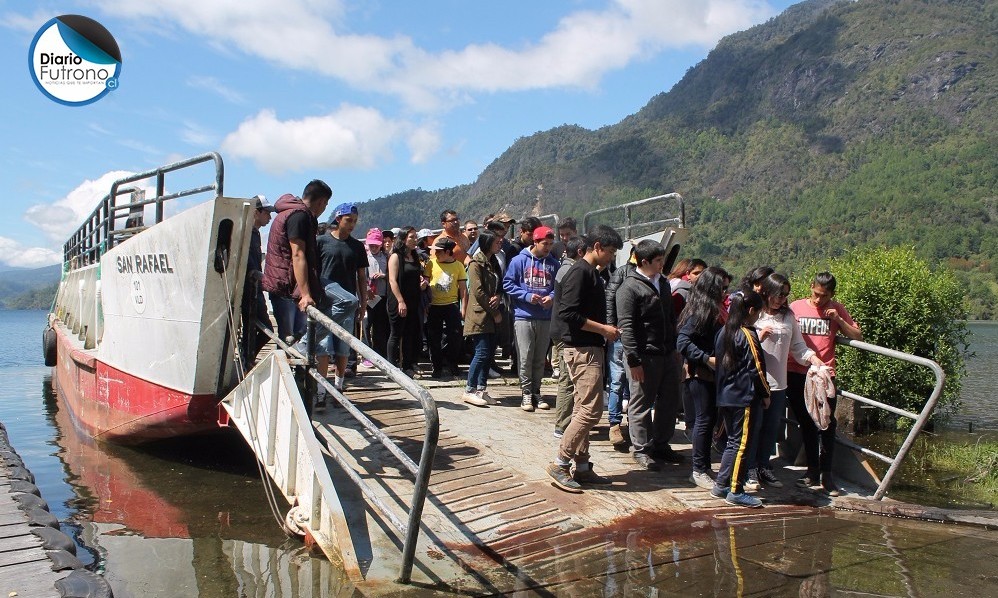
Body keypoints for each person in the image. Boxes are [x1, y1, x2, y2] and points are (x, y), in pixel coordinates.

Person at [546, 225, 623, 493]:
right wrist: (604, 329)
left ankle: (581, 466)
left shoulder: (591, 273)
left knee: (582, 408)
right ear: (598, 247)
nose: (612, 257)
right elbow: (568, 314)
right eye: (611, 251)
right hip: (582, 350)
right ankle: (560, 462)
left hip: (589, 348)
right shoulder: (580, 272)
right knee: (591, 410)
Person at [746, 273, 824, 491]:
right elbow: (740, 344)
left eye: (785, 295)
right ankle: (749, 468)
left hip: (779, 383)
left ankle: (764, 466)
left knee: (771, 427)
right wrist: (759, 338)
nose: (781, 299)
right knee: (754, 426)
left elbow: (798, 347)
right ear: (766, 292)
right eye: (778, 294)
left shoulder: (788, 317)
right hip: (757, 381)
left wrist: (812, 358)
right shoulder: (755, 314)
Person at [787, 272, 862, 496]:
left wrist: (838, 320)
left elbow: (857, 335)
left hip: (824, 374)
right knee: (806, 423)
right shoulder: (796, 308)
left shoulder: (837, 309)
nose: (819, 300)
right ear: (811, 287)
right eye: (817, 294)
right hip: (796, 371)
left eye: (825, 296)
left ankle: (827, 475)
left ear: (832, 294)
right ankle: (812, 471)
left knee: (826, 423)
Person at [616, 240, 682, 470]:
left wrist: (673, 348)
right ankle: (641, 448)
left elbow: (671, 318)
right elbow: (626, 326)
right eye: (658, 261)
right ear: (644, 262)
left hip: (665, 352)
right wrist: (633, 360)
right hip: (644, 355)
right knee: (641, 402)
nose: (662, 264)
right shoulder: (629, 288)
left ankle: (662, 444)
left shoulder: (662, 284)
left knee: (669, 400)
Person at [710, 290, 770, 508]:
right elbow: (757, 368)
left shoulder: (724, 331)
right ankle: (736, 490)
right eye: (758, 312)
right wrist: (765, 394)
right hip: (743, 397)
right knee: (743, 444)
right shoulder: (747, 334)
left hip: (725, 395)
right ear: (751, 311)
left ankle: (721, 484)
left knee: (733, 443)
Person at [677, 266, 731, 490]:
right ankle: (698, 469)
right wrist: (706, 358)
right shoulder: (702, 311)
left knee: (708, 421)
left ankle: (704, 466)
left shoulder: (714, 308)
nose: (726, 292)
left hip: (711, 374)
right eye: (723, 288)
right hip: (700, 373)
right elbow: (682, 341)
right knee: (703, 420)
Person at [262, 180, 332, 343]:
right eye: (325, 204)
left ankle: (296, 368)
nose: (324, 208)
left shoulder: (287, 212)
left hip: (282, 282)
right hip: (287, 286)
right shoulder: (299, 216)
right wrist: (305, 294)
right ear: (322, 201)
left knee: (292, 338)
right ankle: (289, 368)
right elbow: (298, 254)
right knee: (290, 340)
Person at [314, 203, 368, 402]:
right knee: (323, 348)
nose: (352, 224)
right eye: (349, 220)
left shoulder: (357, 246)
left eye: (354, 221)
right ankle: (321, 390)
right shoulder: (321, 242)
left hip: (348, 303)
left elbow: (361, 277)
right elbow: (314, 273)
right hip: (324, 302)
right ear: (338, 219)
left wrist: (362, 304)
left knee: (343, 348)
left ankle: (338, 385)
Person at [503, 225, 559, 411]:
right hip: (523, 316)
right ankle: (525, 392)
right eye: (545, 243)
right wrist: (527, 296)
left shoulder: (554, 263)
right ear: (535, 241)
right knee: (525, 356)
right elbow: (508, 283)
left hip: (545, 316)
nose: (548, 247)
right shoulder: (519, 261)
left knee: (539, 357)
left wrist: (550, 298)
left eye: (551, 244)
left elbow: (558, 287)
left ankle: (536, 390)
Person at [462, 229, 503, 406]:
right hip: (480, 315)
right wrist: (494, 311)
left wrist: (499, 296)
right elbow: (477, 291)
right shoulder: (475, 264)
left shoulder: (493, 262)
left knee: (489, 352)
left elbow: (499, 284)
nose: (500, 243)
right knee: (481, 352)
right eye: (497, 241)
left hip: (490, 315)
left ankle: (481, 389)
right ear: (487, 243)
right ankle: (469, 389)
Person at [551, 236, 585, 438]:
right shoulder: (570, 271)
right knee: (567, 378)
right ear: (580, 252)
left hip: (560, 329)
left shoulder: (564, 268)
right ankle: (562, 425)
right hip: (565, 332)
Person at [604, 248, 637, 448]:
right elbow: (610, 299)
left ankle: (635, 426)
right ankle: (614, 424)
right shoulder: (622, 272)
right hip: (620, 334)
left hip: (640, 338)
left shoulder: (656, 278)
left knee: (636, 385)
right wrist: (611, 328)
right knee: (617, 381)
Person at [424, 237, 468, 377]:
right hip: (434, 306)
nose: (436, 254)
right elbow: (425, 281)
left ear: (448, 252)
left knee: (454, 337)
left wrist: (463, 308)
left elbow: (463, 289)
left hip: (451, 306)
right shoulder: (431, 264)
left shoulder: (458, 266)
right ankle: (437, 366)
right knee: (433, 338)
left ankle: (452, 364)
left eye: (439, 251)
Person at [241, 195, 275, 368]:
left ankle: (246, 358)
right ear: (256, 212)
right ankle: (245, 358)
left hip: (254, 287)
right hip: (248, 288)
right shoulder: (246, 232)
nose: (269, 217)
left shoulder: (253, 233)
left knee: (254, 327)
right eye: (267, 213)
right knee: (263, 328)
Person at [387, 227, 424, 376]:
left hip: (414, 299)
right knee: (396, 334)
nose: (415, 240)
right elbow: (392, 280)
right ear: (403, 239)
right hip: (398, 300)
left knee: (410, 333)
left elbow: (414, 276)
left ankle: (407, 365)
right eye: (412, 237)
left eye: (416, 237)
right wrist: (400, 301)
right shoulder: (396, 256)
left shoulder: (415, 256)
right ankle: (391, 367)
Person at [364, 228, 390, 362]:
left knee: (381, 326)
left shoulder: (386, 257)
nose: (373, 247)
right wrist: (367, 288)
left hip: (382, 295)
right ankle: (367, 354)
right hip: (368, 297)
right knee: (367, 325)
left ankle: (380, 352)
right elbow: (360, 276)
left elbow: (392, 275)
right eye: (371, 245)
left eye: (376, 244)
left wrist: (384, 276)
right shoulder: (364, 257)